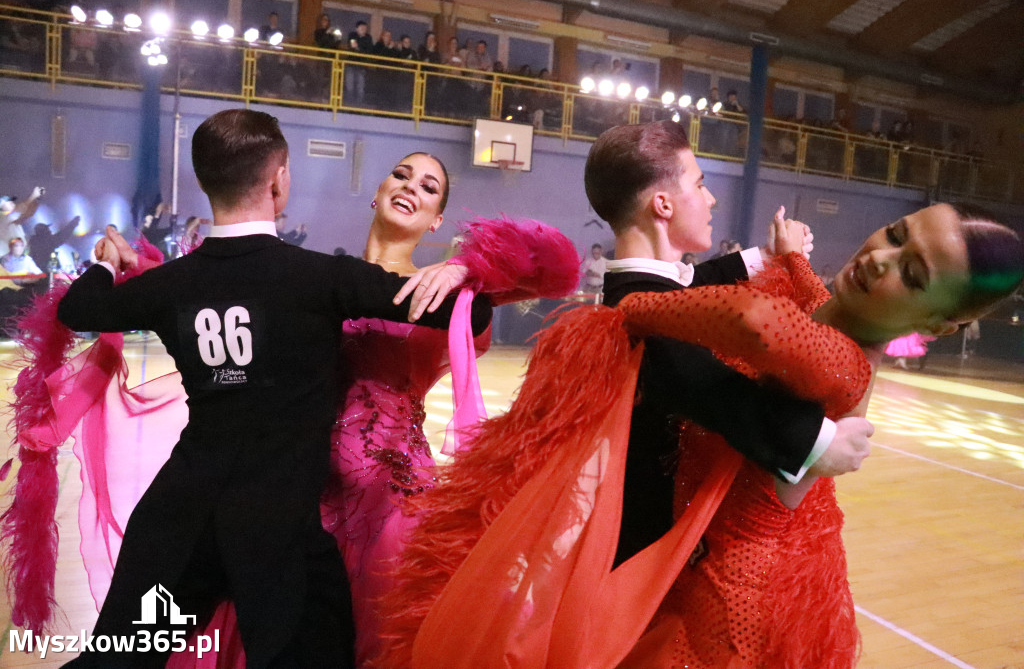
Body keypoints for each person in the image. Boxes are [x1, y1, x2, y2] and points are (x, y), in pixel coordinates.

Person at [377, 199, 1023, 668]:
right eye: (896, 233)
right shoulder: (830, 309)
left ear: (937, 326)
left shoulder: (841, 361)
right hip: (688, 540)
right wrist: (790, 256)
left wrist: (634, 306)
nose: (878, 259)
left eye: (912, 274)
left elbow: (754, 320)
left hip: (724, 586)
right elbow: (809, 294)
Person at [374, 120, 875, 666]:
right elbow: (693, 375)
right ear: (663, 204)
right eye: (700, 183)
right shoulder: (641, 312)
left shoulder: (640, 288)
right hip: (644, 572)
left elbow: (690, 284)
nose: (710, 198)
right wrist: (816, 441)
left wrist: (763, 256)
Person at [11, 108, 492, 668]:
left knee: (119, 658)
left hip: (180, 520)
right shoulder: (324, 278)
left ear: (205, 183)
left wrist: (109, 262)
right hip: (281, 533)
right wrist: (462, 270)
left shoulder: (172, 284)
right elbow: (472, 311)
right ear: (279, 180)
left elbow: (80, 308)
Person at [0, 185, 43, 257]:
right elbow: (21, 210)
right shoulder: (5, 218)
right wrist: (33, 196)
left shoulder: (13, 221)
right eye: (8, 202)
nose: (12, 203)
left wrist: (35, 199)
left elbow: (26, 213)